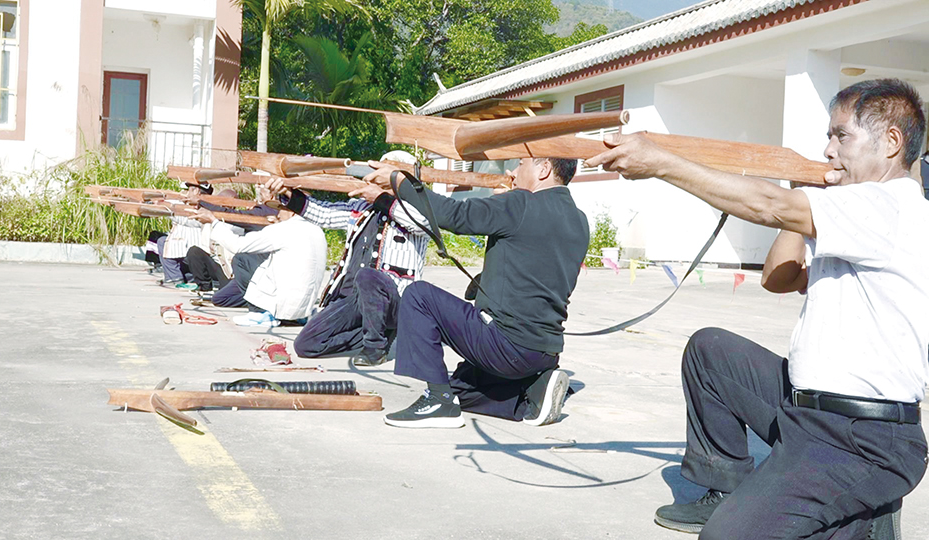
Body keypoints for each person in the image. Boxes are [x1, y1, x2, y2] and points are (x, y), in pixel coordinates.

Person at [585, 78, 928, 539]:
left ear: (891, 142)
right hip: (806, 411)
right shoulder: (847, 211)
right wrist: (802, 196)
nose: (828, 150)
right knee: (712, 352)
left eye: (841, 136)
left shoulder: (888, 206)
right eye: (829, 136)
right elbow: (777, 278)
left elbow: (767, 205)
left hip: (862, 436)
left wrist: (660, 162)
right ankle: (728, 489)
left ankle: (863, 515)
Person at [363, 156, 589, 429]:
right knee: (460, 388)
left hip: (507, 346)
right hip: (544, 352)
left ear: (543, 170)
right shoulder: (579, 220)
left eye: (520, 164)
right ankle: (531, 392)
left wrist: (399, 181)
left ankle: (437, 402)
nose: (512, 171)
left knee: (419, 296)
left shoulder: (519, 204)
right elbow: (535, 266)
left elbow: (454, 216)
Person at [264, 151, 430, 365]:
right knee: (306, 345)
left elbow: (422, 226)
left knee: (369, 276)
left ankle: (375, 348)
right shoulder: (363, 208)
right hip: (354, 299)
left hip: (394, 301)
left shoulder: (417, 209)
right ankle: (380, 335)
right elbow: (325, 214)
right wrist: (289, 194)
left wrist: (381, 198)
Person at [190, 205, 326, 327]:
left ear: (291, 213)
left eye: (281, 210)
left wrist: (213, 222)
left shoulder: (283, 229)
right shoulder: (317, 231)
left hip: (284, 302)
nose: (278, 214)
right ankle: (294, 317)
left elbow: (237, 245)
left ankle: (260, 312)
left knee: (241, 258)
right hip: (303, 308)